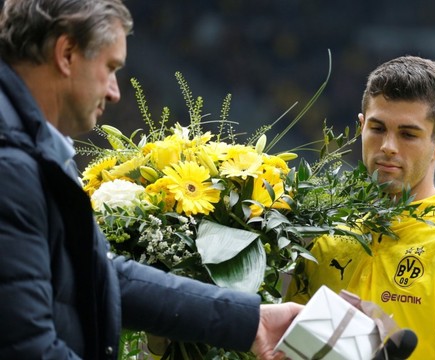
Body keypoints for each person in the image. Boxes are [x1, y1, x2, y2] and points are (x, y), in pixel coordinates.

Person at [0, 1, 302, 359]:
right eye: (110, 68)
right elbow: (28, 349)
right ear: (66, 54)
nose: (114, 91)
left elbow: (101, 275)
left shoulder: (33, 149)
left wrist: (250, 323)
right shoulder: (11, 167)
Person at [286, 56, 435, 359]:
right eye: (377, 128)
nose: (388, 146)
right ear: (361, 126)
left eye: (408, 134)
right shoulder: (327, 233)